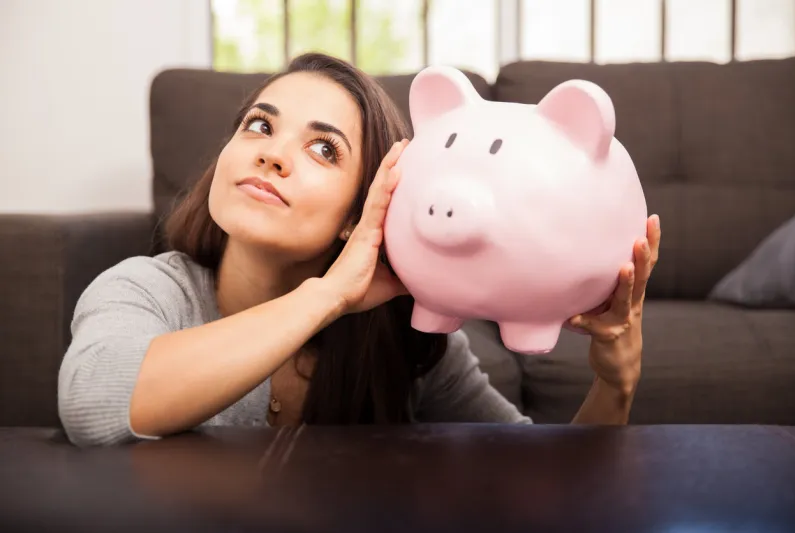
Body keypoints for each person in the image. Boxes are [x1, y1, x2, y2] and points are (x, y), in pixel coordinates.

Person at [57, 53, 661, 447]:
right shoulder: (145, 288)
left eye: (324, 150)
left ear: (363, 211)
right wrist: (326, 297)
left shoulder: (403, 335)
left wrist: (616, 385)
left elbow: (538, 479)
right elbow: (95, 405)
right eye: (260, 127)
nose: (270, 153)